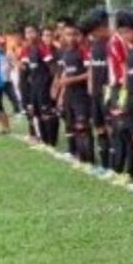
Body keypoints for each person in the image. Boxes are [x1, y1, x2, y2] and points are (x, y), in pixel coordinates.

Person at [109, 12, 133, 185]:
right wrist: (123, 97)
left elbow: (124, 71)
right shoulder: (129, 48)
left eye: (127, 32)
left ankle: (131, 172)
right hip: (128, 95)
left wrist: (123, 95)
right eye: (122, 32)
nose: (124, 36)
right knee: (130, 134)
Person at [57, 20, 93, 163]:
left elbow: (90, 73)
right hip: (69, 95)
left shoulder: (83, 51)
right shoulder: (65, 53)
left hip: (81, 95)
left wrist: (72, 80)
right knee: (72, 127)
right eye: (68, 35)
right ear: (63, 36)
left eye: (74, 34)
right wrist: (60, 94)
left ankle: (89, 159)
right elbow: (64, 75)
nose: (71, 38)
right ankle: (79, 155)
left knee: (82, 126)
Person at [19, 24, 59, 146]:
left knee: (46, 113)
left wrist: (53, 85)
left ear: (37, 33)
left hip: (44, 87)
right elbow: (24, 67)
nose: (30, 35)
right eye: (27, 33)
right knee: (37, 114)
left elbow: (52, 67)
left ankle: (50, 143)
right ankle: (43, 140)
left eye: (32, 32)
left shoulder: (42, 48)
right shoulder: (29, 50)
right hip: (34, 87)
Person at [85, 10, 113, 173]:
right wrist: (90, 83)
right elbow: (91, 66)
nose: (93, 34)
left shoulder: (112, 44)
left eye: (95, 30)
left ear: (103, 27)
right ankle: (104, 165)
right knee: (99, 127)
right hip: (95, 92)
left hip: (108, 92)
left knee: (110, 128)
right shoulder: (94, 44)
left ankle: (114, 166)